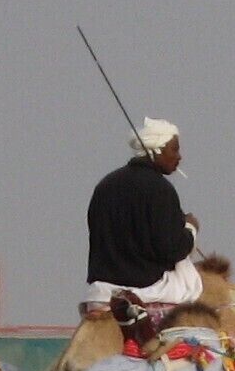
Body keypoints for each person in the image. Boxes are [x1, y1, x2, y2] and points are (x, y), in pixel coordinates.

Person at [83, 117, 200, 313]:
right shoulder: (161, 189)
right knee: (193, 283)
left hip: (101, 292)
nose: (179, 157)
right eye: (175, 149)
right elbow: (171, 250)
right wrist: (190, 229)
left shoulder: (105, 185)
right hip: (146, 289)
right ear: (157, 150)